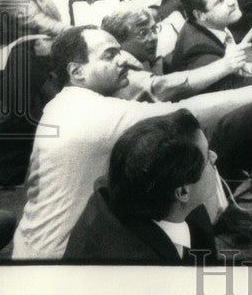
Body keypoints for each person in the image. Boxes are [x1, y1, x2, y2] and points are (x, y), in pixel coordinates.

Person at [11, 25, 252, 260]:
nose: (123, 60)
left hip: (42, 241)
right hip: (60, 257)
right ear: (77, 71)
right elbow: (186, 112)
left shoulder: (65, 102)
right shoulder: (96, 115)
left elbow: (166, 86)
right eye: (110, 55)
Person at [63, 110, 220, 264]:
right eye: (207, 157)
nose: (214, 156)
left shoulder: (139, 189)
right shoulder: (137, 269)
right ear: (183, 191)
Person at [100, 6, 252, 102]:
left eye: (154, 29)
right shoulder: (123, 74)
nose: (153, 38)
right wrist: (226, 65)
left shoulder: (151, 59)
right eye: (143, 33)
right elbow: (165, 87)